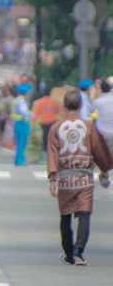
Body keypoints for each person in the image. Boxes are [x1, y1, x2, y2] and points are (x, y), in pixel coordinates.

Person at [46, 88, 113, 266]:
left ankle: (68, 252)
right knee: (84, 214)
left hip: (65, 179)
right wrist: (104, 169)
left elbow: (52, 153)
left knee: (65, 215)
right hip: (84, 178)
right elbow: (99, 149)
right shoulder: (89, 126)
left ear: (64, 106)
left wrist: (53, 179)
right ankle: (78, 251)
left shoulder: (56, 127)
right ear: (81, 105)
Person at [32, 84, 60, 158]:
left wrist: (33, 126)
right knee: (53, 139)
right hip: (53, 121)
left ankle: (45, 155)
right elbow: (57, 111)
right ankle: (54, 154)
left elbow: (35, 115)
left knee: (45, 139)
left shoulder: (39, 102)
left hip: (44, 123)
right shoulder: (54, 102)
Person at [91, 78, 113, 155]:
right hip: (112, 131)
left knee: (102, 157)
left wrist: (97, 93)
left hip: (101, 132)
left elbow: (90, 109)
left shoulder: (98, 101)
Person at [12, 82, 32, 166]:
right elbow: (23, 112)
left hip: (18, 123)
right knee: (22, 142)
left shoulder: (17, 99)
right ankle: (20, 160)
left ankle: (19, 159)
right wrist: (31, 115)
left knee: (19, 142)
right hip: (22, 123)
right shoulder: (21, 101)